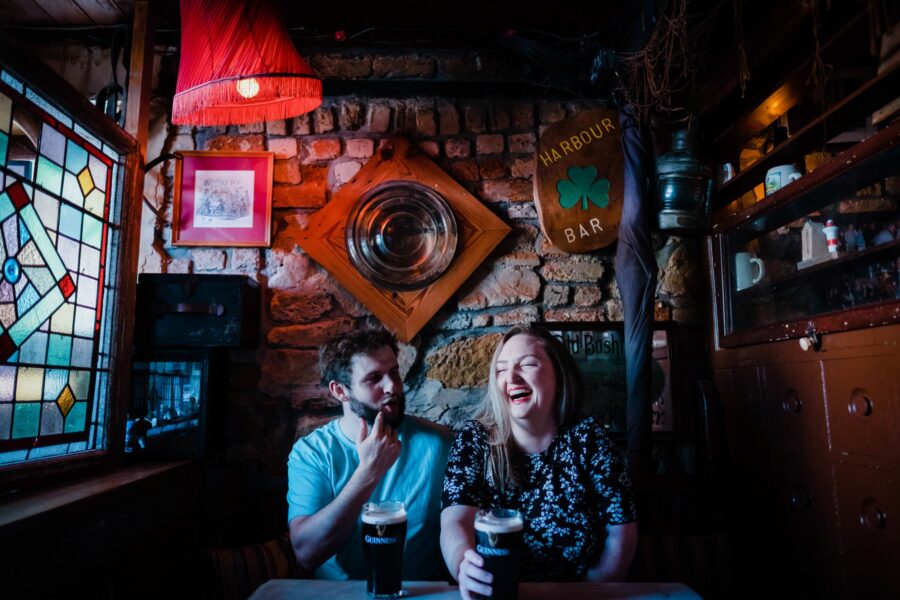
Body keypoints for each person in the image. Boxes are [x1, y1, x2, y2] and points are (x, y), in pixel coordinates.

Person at [440, 325, 637, 599]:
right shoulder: (475, 440)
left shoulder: (588, 439)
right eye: (501, 369)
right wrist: (463, 565)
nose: (511, 377)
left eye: (528, 364)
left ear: (559, 375)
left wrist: (592, 590)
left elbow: (621, 535)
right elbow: (454, 523)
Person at [287, 328, 452, 580]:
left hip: (422, 594)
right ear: (340, 391)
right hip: (340, 597)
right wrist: (367, 473)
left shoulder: (439, 443)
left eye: (394, 372)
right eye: (374, 378)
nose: (393, 387)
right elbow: (307, 553)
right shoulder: (312, 453)